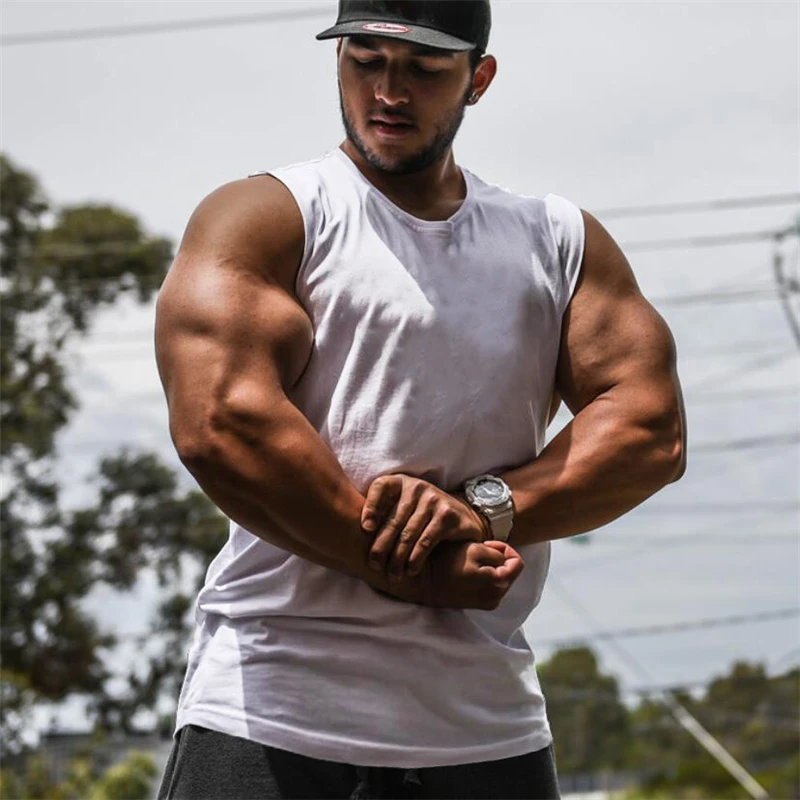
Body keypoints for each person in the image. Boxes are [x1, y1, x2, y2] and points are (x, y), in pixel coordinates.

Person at [154, 1, 687, 797]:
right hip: (271, 714)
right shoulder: (269, 218)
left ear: (479, 78)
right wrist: (406, 567)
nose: (388, 92)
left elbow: (649, 431)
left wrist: (483, 510)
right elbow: (221, 423)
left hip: (485, 729)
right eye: (365, 60)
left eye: (425, 68)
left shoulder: (555, 240)